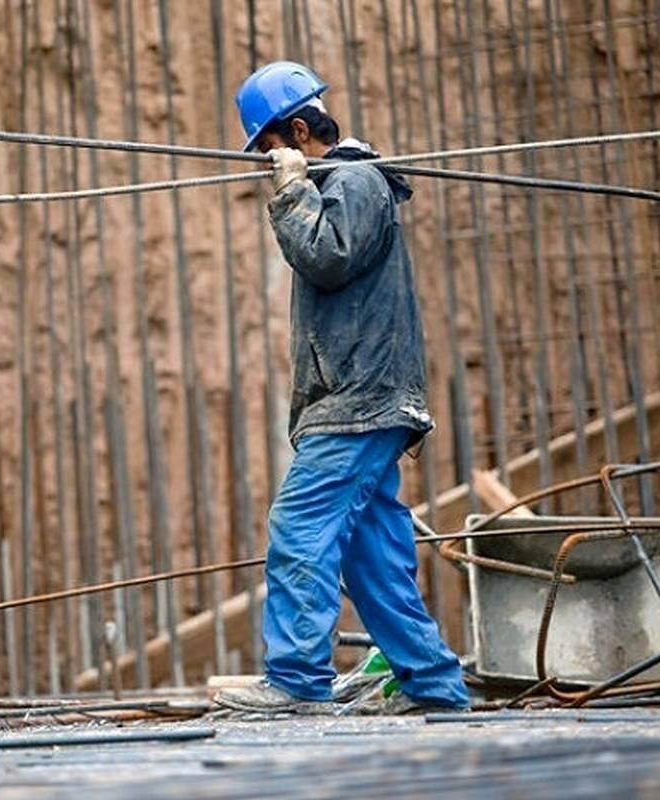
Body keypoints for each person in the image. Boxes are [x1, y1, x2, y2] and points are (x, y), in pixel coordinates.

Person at [215, 61, 469, 715]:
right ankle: (434, 685)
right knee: (373, 554)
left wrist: (294, 193)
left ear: (298, 130)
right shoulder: (345, 182)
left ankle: (297, 679)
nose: (265, 164)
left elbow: (325, 260)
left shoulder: (355, 180)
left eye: (270, 148)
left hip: (358, 400)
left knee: (300, 526)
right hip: (363, 397)